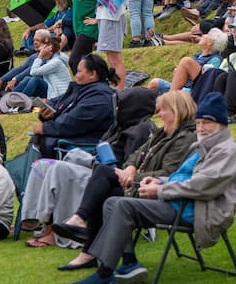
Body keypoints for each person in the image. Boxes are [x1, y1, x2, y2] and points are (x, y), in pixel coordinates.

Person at [70, 92, 236, 284]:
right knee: (112, 202)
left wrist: (160, 190)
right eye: (199, 122)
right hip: (180, 201)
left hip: (198, 210)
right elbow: (183, 177)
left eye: (207, 123)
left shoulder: (227, 151)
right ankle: (128, 263)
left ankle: (104, 273)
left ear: (222, 124)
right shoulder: (202, 145)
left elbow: (203, 186)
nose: (201, 128)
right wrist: (159, 181)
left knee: (122, 204)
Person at [50, 91, 199, 270]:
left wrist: (132, 176)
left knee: (104, 177)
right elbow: (136, 154)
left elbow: (169, 173)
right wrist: (130, 168)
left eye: (163, 110)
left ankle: (83, 230)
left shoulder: (185, 138)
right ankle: (96, 250)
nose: (159, 114)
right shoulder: (162, 133)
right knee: (105, 190)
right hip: (140, 185)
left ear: (176, 111)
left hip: (156, 191)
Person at [32, 54, 117, 157]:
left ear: (92, 74)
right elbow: (56, 102)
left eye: (79, 71)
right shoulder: (81, 89)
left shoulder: (99, 97)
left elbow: (73, 123)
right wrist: (47, 112)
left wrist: (46, 128)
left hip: (83, 145)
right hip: (71, 138)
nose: (76, 75)